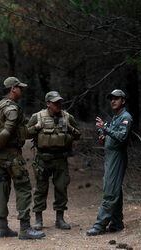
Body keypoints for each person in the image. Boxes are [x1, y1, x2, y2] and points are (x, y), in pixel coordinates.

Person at [0, 77, 45, 240]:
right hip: (11, 154)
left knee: (2, 187)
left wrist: (35, 129)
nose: (22, 90)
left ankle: (2, 227)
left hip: (0, 156)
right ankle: (25, 229)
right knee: (24, 187)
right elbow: (6, 132)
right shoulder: (12, 109)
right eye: (20, 87)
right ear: (13, 88)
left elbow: (19, 131)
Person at [27, 91, 81, 231]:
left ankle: (60, 218)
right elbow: (25, 133)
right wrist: (37, 127)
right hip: (43, 159)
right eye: (55, 102)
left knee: (61, 188)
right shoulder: (37, 116)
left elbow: (78, 134)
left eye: (59, 102)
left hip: (60, 159)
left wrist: (70, 128)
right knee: (40, 189)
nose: (58, 104)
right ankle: (38, 219)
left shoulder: (67, 117)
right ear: (48, 103)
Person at [86, 89, 132, 236]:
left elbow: (122, 137)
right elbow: (111, 135)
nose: (113, 101)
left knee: (110, 191)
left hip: (117, 157)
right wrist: (103, 134)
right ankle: (117, 222)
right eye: (111, 98)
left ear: (123, 101)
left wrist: (105, 128)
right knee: (114, 188)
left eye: (116, 98)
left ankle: (100, 225)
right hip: (110, 156)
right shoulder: (115, 117)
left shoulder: (126, 117)